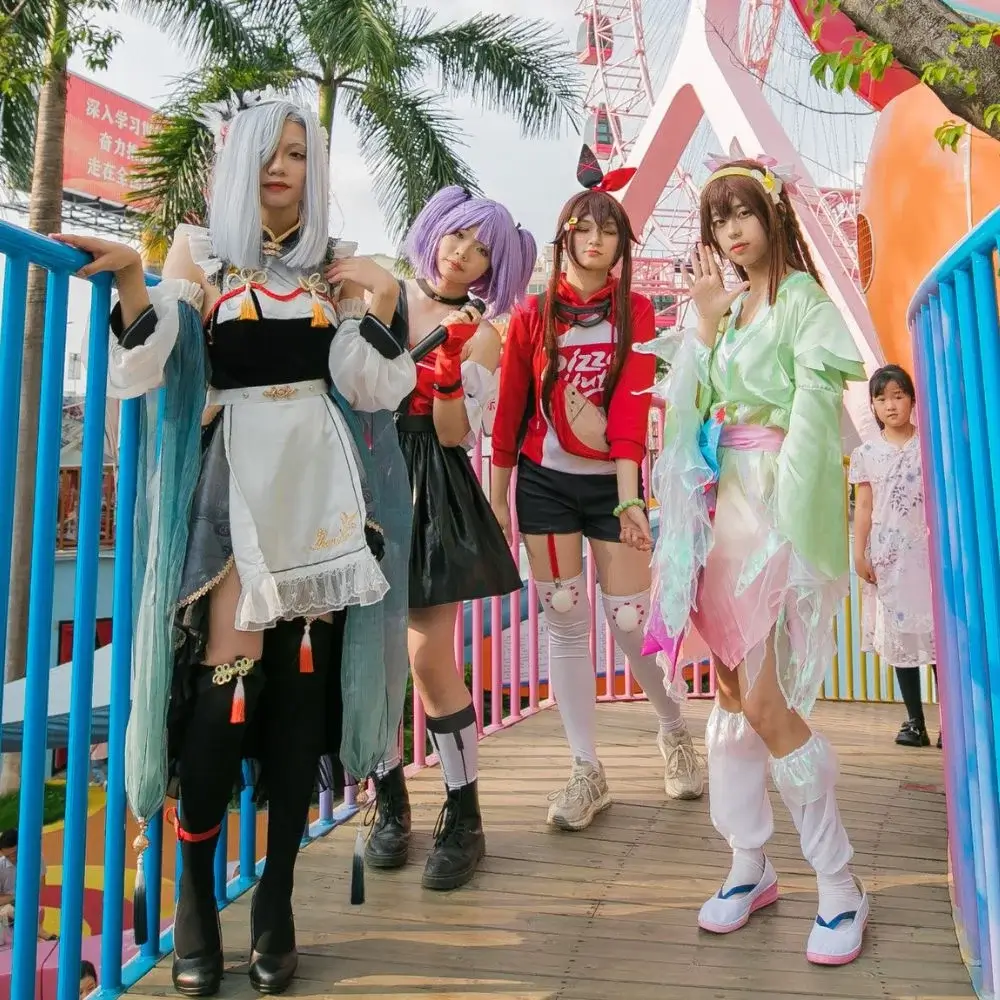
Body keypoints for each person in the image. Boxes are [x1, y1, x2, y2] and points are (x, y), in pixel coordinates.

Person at [56, 90, 414, 996]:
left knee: (297, 705)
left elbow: (370, 387)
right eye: (267, 150)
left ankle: (277, 901)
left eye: (297, 153)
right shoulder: (201, 253)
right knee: (225, 696)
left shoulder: (334, 263)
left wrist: (382, 295)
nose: (280, 167)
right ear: (237, 160)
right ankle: (193, 896)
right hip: (235, 497)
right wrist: (133, 280)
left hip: (322, 498)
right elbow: (151, 364)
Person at [641, 155, 870, 964]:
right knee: (733, 695)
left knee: (766, 701)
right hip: (720, 515)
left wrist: (795, 526)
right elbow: (687, 416)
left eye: (741, 212)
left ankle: (839, 880)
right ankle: (749, 863)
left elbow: (814, 417)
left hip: (770, 505)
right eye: (717, 219)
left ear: (772, 214)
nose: (731, 230)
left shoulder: (804, 301)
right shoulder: (729, 312)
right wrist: (704, 327)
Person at [488, 145, 705, 834]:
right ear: (565, 238)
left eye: (608, 230)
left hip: (613, 486)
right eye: (584, 228)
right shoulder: (532, 314)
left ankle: (673, 726)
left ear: (621, 244)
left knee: (631, 621)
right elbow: (509, 412)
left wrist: (630, 498)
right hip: (544, 485)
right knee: (564, 618)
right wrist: (497, 500)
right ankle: (587, 769)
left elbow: (632, 410)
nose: (595, 239)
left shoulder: (636, 311)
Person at [362, 186, 536, 892]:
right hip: (365, 475)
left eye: (481, 249)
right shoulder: (383, 294)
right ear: (435, 230)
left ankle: (464, 816)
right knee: (367, 652)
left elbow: (457, 434)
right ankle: (389, 803)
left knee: (428, 656)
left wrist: (446, 382)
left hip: (431, 482)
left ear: (494, 268)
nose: (462, 253)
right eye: (458, 235)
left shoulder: (483, 333)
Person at [850, 364, 938, 748]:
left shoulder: (930, 446)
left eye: (898, 396)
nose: (890, 405)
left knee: (938, 636)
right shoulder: (866, 453)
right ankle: (915, 722)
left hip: (929, 556)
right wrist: (859, 553)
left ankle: (951, 723)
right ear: (872, 405)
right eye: (881, 398)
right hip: (888, 556)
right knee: (901, 636)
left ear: (912, 400)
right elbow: (864, 507)